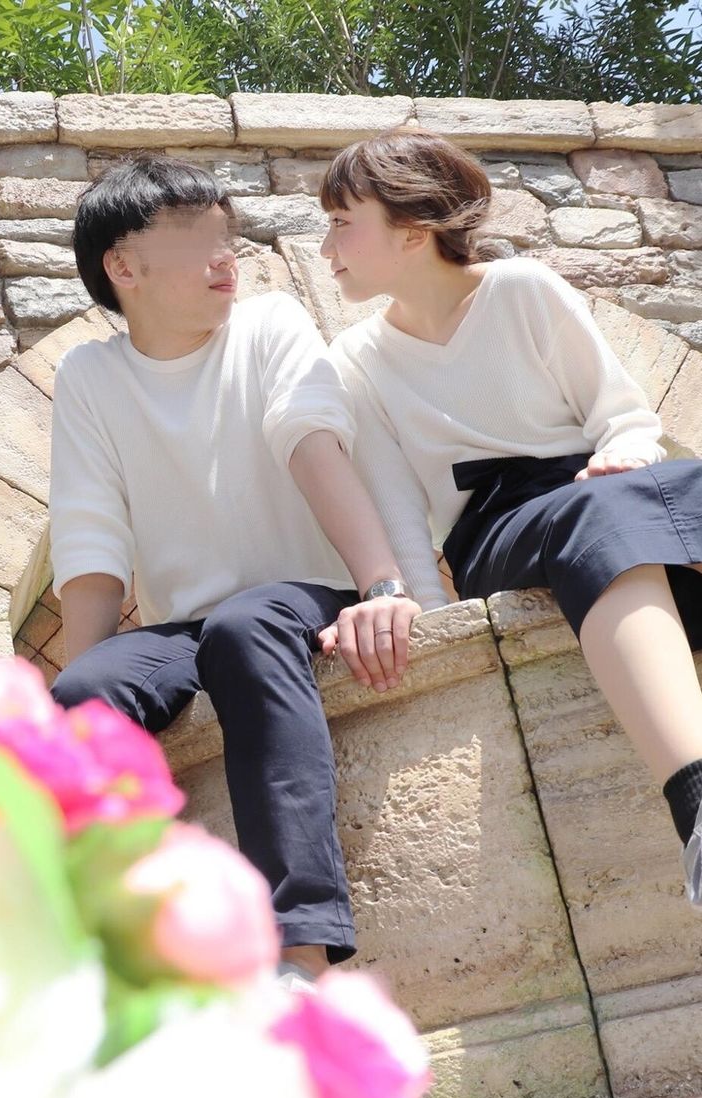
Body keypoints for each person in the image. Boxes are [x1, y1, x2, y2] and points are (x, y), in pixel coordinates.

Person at [48, 156, 429, 979]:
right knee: (82, 693)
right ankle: (119, 953)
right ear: (124, 268)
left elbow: (312, 443)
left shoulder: (269, 324)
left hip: (303, 596)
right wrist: (76, 706)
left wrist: (383, 587)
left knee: (245, 627)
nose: (227, 258)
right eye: (198, 239)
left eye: (228, 237)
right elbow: (89, 537)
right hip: (184, 630)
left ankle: (302, 952)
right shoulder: (89, 376)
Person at [319, 127, 702, 906]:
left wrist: (622, 457)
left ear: (412, 231)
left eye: (340, 223)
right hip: (502, 529)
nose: (326, 246)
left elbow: (624, 419)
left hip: (606, 489)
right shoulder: (355, 362)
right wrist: (434, 620)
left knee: (619, 503)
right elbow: (401, 516)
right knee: (598, 515)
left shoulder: (526, 288)